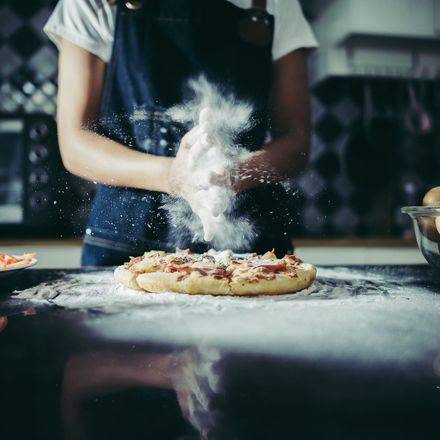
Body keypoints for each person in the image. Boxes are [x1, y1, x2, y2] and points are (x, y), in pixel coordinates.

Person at [44, 0, 318, 265]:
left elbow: (296, 144)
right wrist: (174, 177)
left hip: (250, 254)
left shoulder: (275, 3)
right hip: (123, 246)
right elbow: (75, 143)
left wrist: (228, 175)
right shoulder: (91, 3)